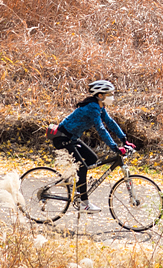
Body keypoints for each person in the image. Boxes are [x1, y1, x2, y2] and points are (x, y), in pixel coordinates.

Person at [50, 80, 132, 212]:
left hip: (72, 138)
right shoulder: (92, 108)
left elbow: (110, 123)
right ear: (100, 95)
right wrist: (115, 148)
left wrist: (124, 139)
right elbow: (101, 129)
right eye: (109, 94)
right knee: (82, 167)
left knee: (92, 159)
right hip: (63, 138)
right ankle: (84, 204)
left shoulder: (99, 107)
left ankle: (71, 182)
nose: (112, 96)